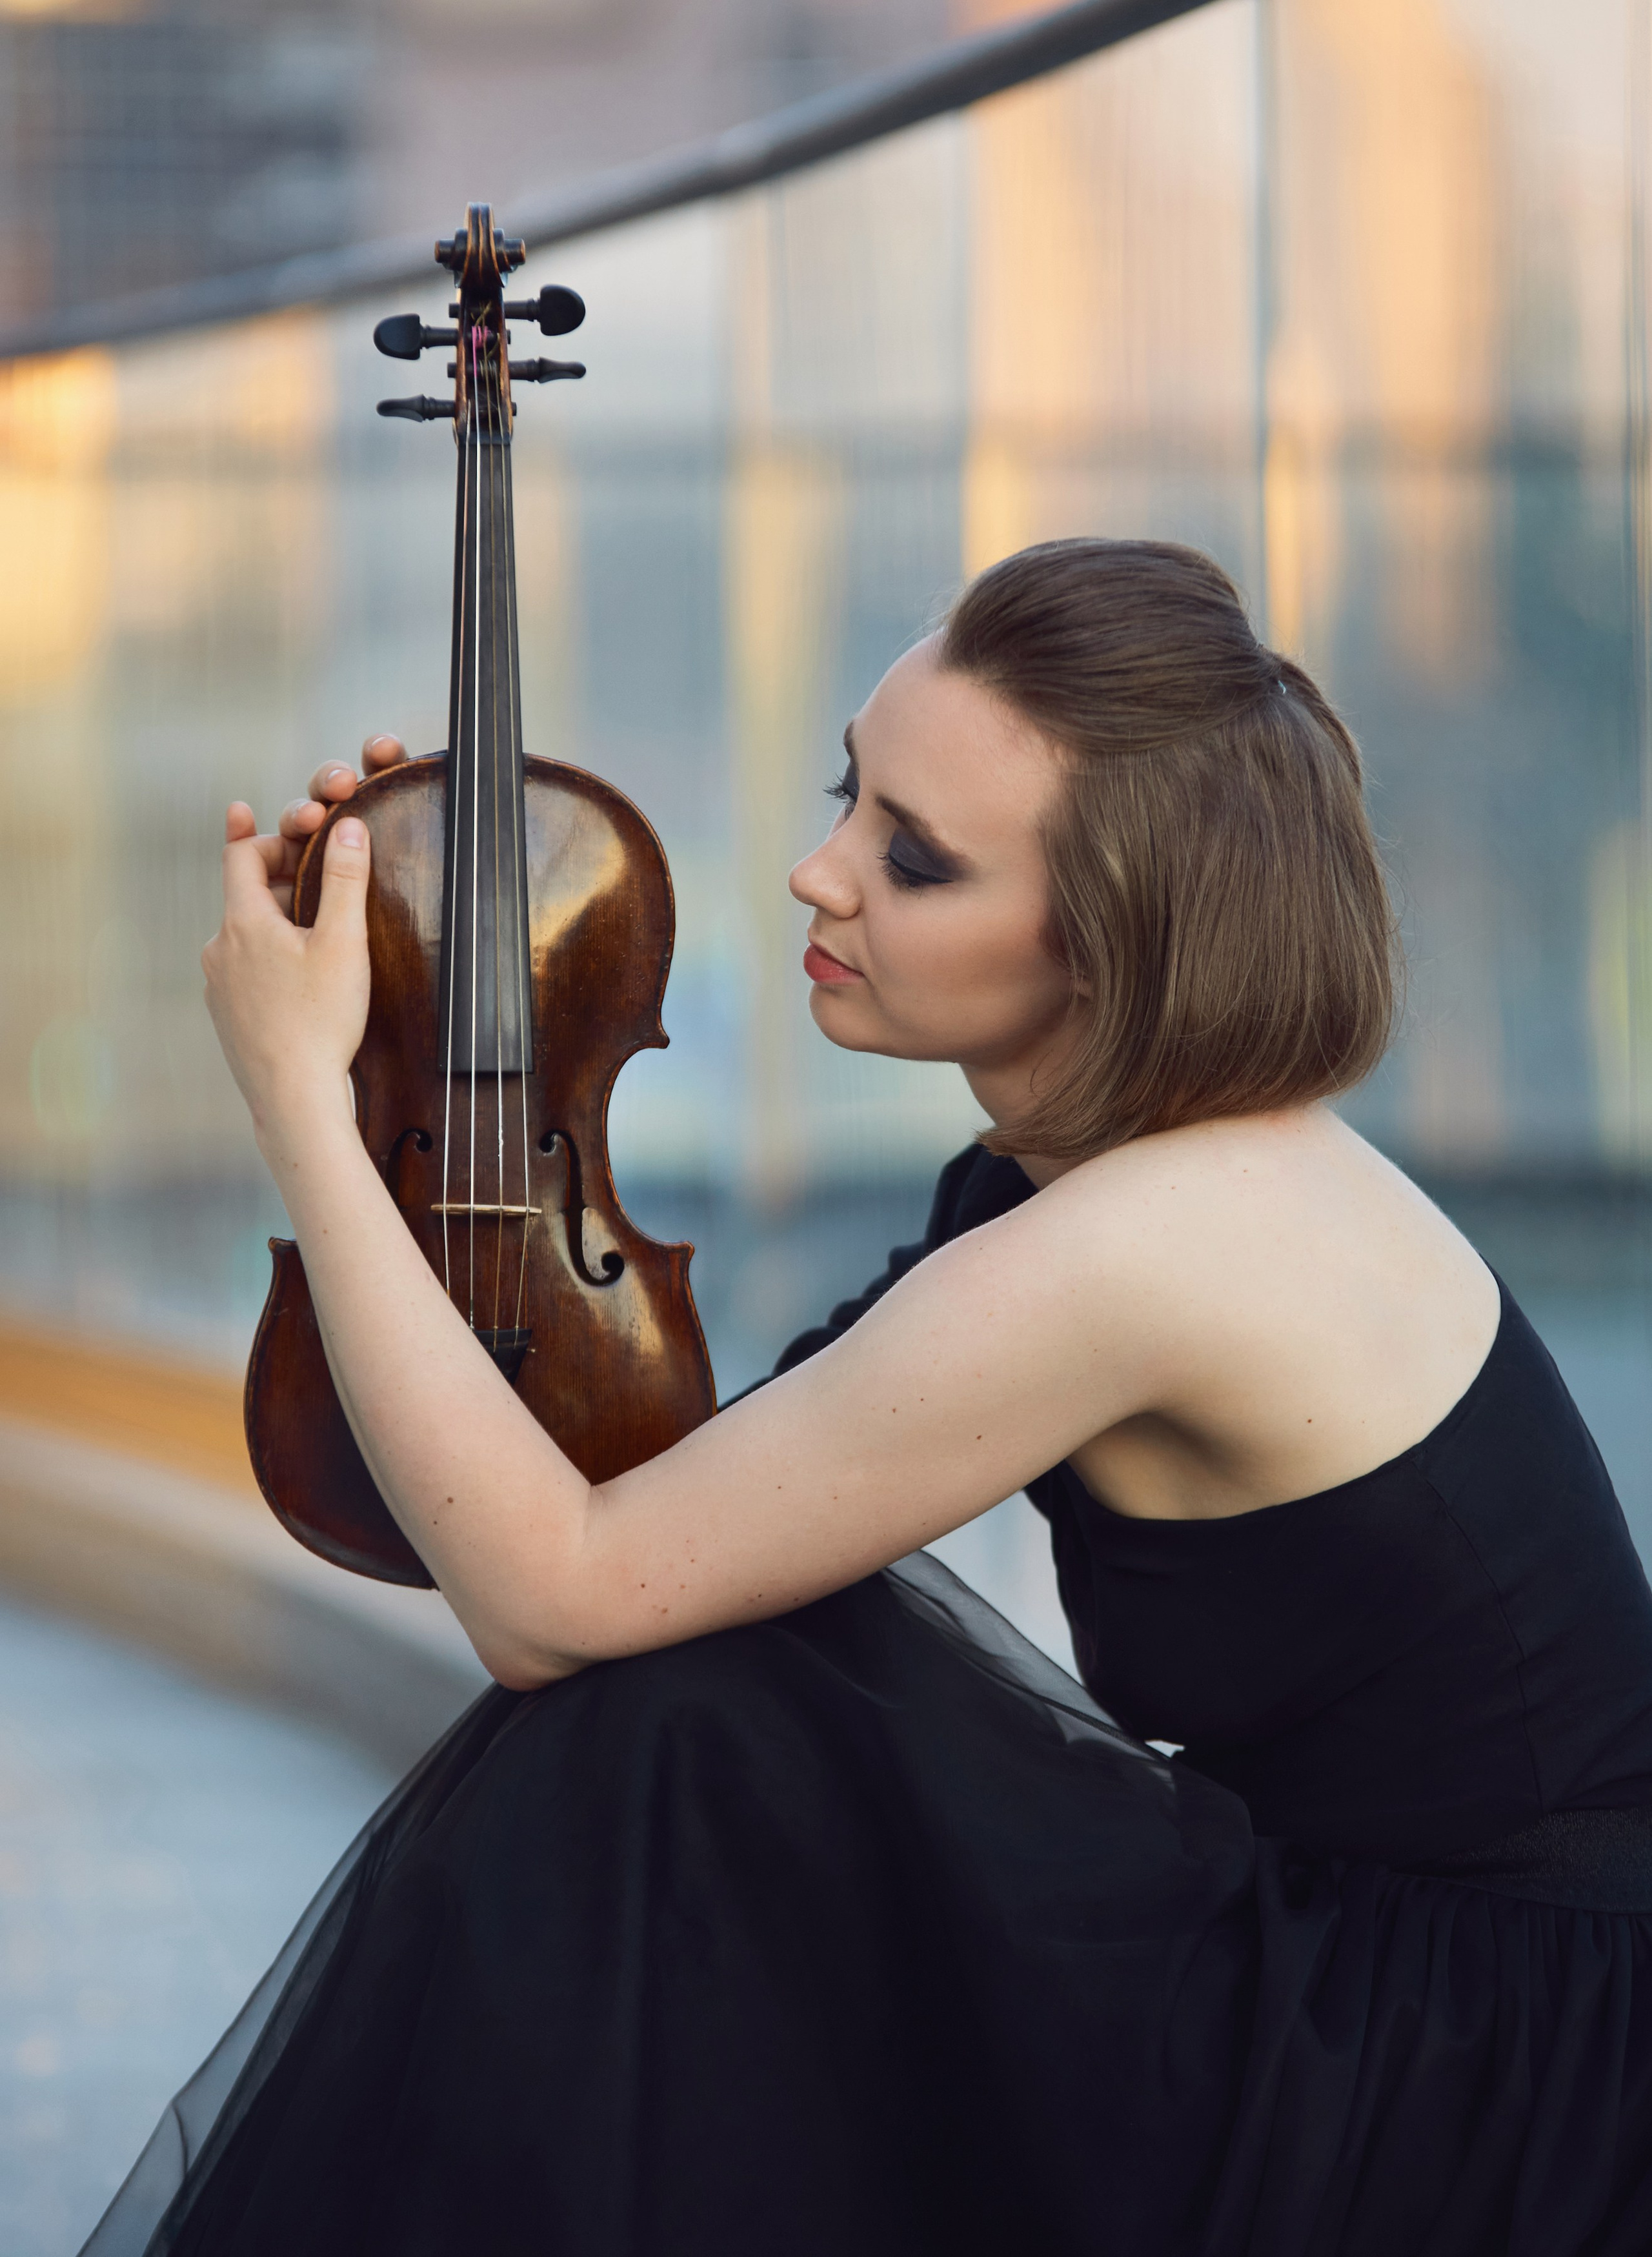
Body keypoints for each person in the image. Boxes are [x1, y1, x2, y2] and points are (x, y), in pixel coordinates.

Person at [85, 538, 1652, 2256]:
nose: (816, 872)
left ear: (1113, 944)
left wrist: (302, 1105)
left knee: (687, 1726)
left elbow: (553, 1593)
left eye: (913, 858)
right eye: (852, 792)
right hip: (1363, 1971)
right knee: (699, 1694)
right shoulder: (1091, 1179)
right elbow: (675, 1512)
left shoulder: (1154, 1243)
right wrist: (417, 963)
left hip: (1476, 2074)